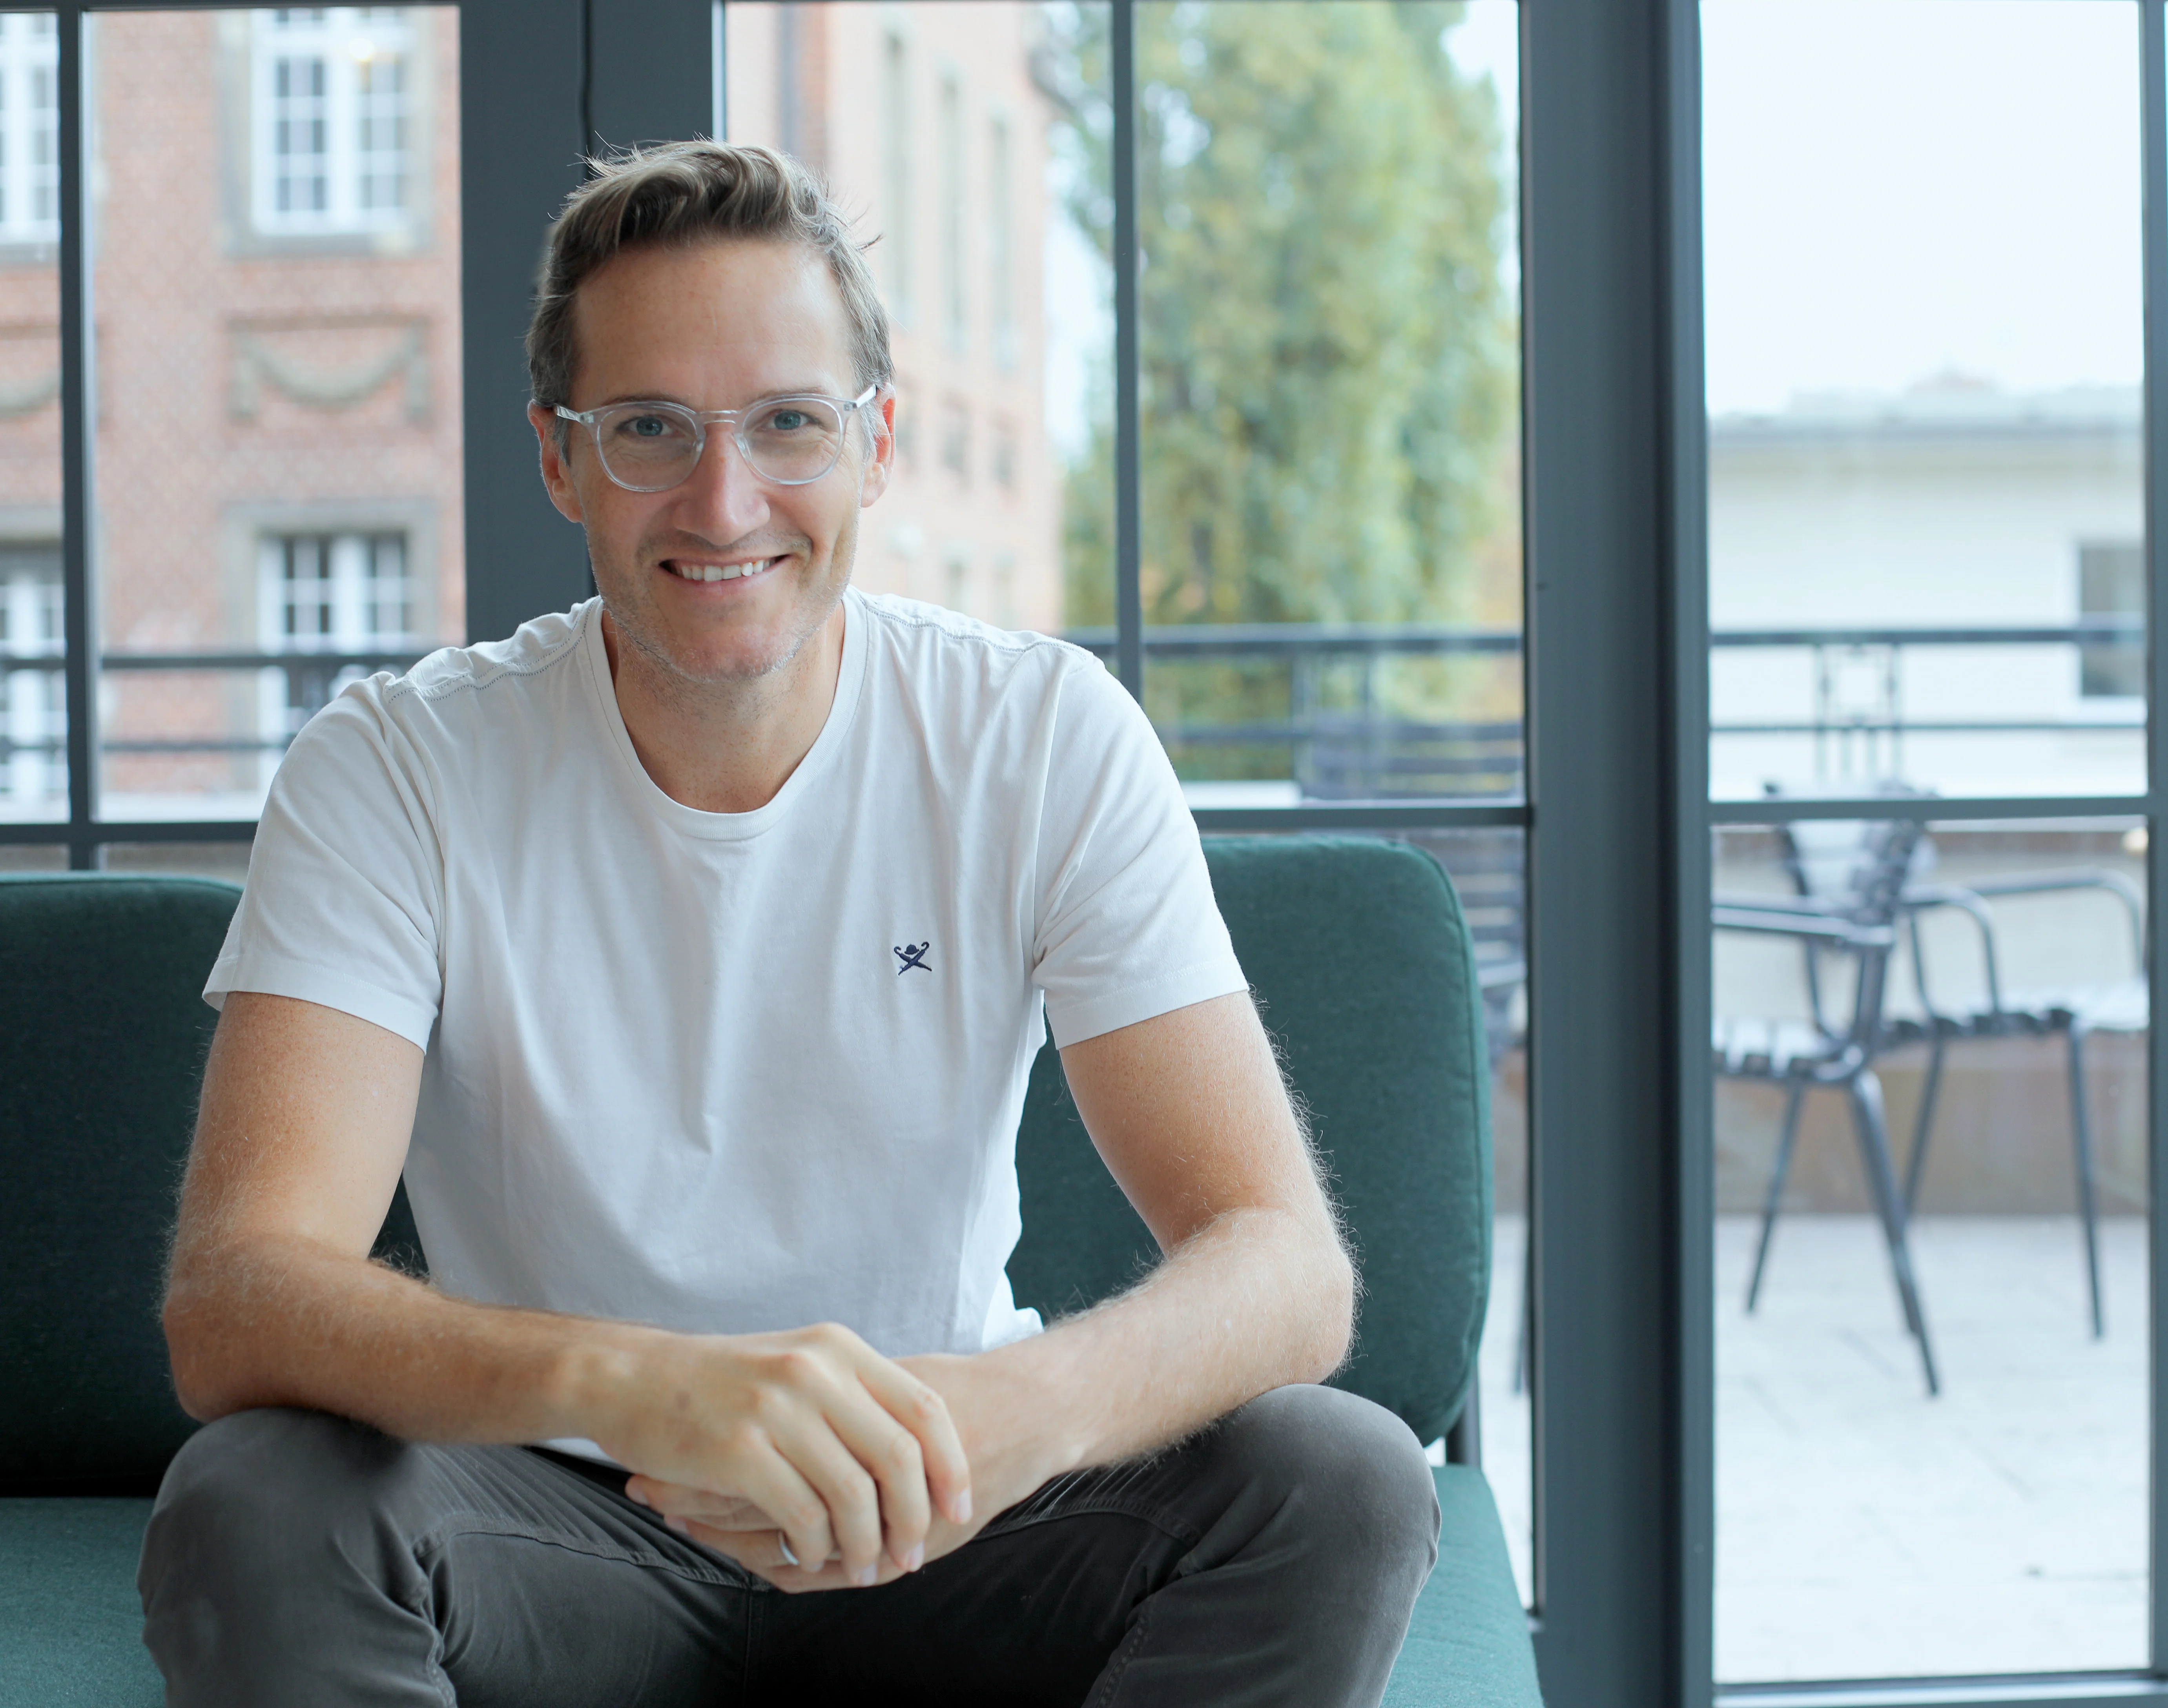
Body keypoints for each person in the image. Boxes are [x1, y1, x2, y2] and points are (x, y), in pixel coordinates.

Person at [139, 141, 1438, 1707]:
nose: (723, 495)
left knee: (1340, 1479)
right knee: (256, 1502)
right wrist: (641, 1386)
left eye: (788, 423)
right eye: (648, 430)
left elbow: (1289, 1266)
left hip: (953, 1506)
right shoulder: (396, 764)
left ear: (876, 444)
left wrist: (1011, 1410)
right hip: (557, 1526)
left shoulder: (1037, 736)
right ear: (559, 459)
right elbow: (236, 1295)